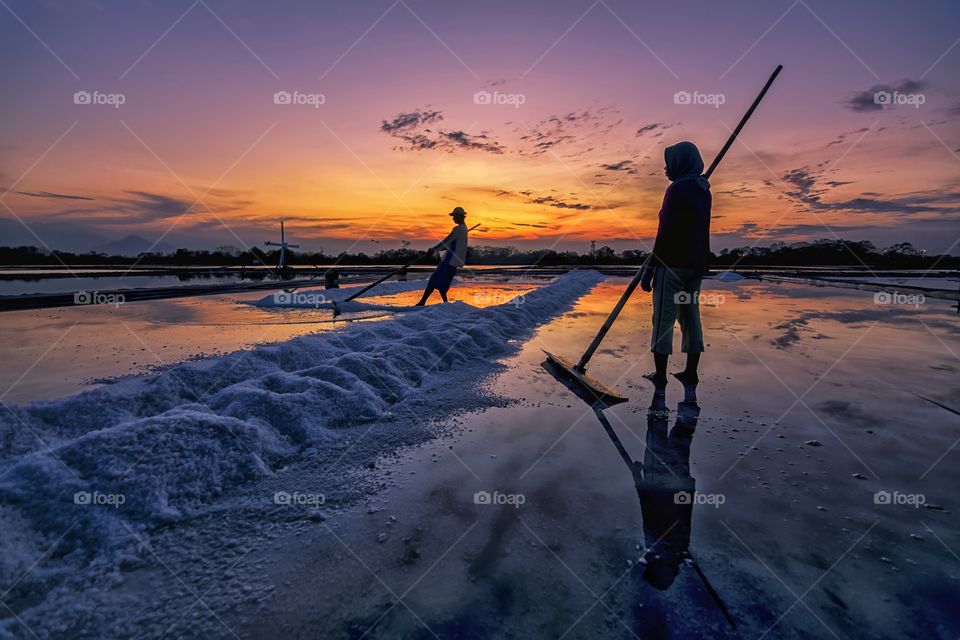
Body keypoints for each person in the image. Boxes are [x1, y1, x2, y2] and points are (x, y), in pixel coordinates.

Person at [639, 141, 711, 401]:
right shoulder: (703, 189)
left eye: (669, 163)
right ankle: (690, 373)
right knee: (690, 315)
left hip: (671, 264)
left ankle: (660, 375)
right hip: (695, 265)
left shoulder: (677, 189)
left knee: (663, 320)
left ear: (680, 163)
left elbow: (665, 233)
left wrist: (649, 270)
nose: (666, 168)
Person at [416, 206, 469, 305]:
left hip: (450, 259)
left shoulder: (458, 229)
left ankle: (422, 302)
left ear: (460, 216)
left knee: (433, 280)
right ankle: (444, 303)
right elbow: (451, 244)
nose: (453, 218)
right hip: (454, 261)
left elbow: (446, 241)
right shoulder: (464, 229)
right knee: (442, 283)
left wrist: (433, 250)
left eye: (454, 216)